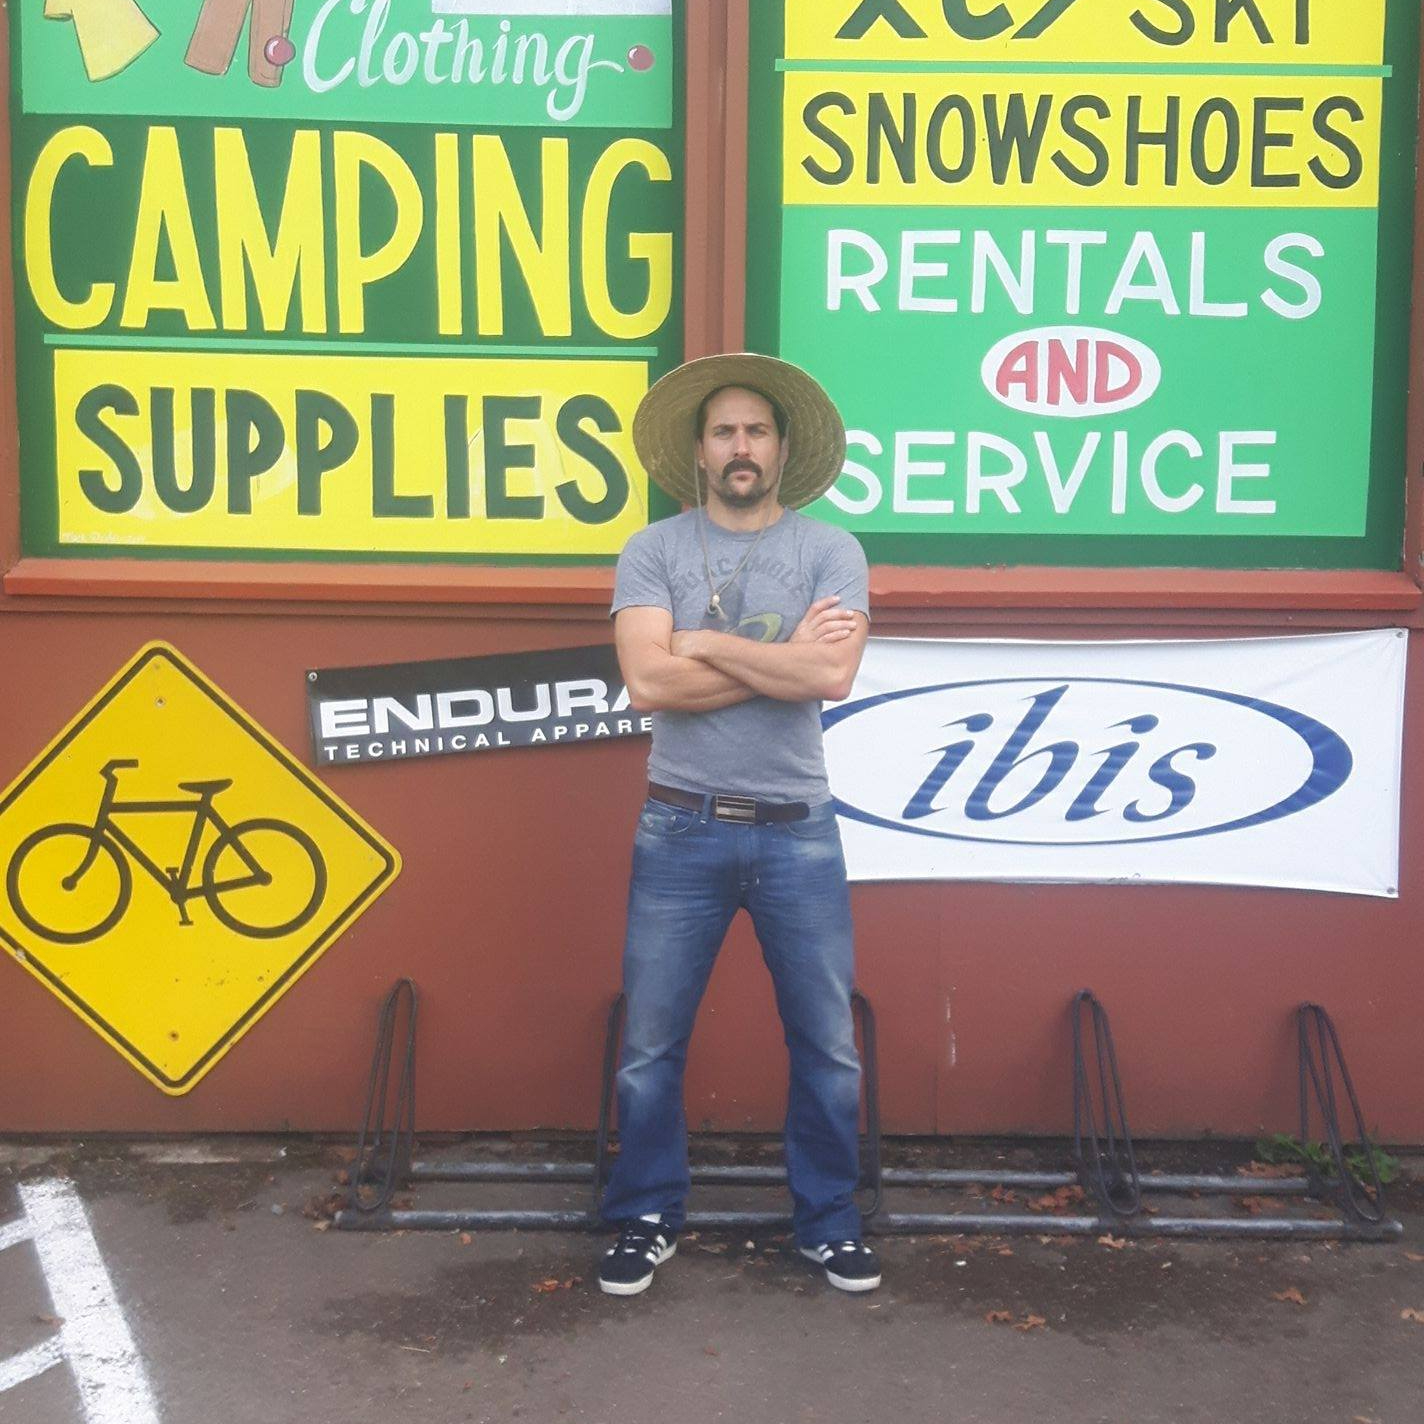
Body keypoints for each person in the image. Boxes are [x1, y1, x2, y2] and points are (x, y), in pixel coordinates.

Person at [596, 353, 877, 1297]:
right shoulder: (653, 551)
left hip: (799, 830)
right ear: (699, 450)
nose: (741, 446)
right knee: (651, 1047)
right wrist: (777, 657)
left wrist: (707, 642)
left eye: (757, 430)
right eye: (724, 431)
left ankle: (829, 1221)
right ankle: (645, 1215)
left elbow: (831, 676)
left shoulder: (832, 551)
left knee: (827, 1046)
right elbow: (648, 683)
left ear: (783, 448)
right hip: (681, 828)